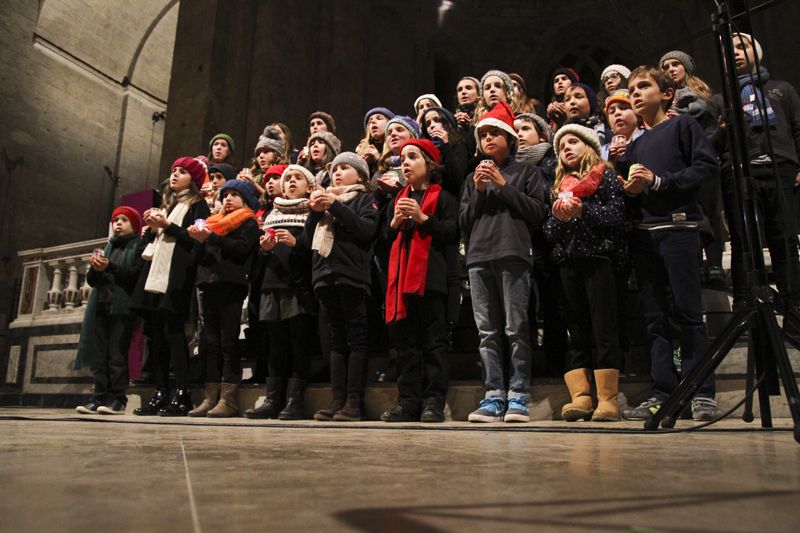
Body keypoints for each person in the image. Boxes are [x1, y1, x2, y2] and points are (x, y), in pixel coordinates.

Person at [620, 66, 721, 422]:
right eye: (631, 88)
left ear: (666, 94)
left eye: (643, 86)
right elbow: (637, 191)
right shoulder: (636, 145)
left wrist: (660, 181)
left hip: (678, 229)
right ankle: (664, 390)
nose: (634, 93)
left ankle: (700, 390)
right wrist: (630, 191)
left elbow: (706, 167)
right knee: (654, 318)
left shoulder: (683, 126)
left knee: (688, 314)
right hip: (646, 235)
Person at [459, 101, 547, 423]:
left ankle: (519, 395)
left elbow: (538, 213)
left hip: (513, 255)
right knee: (487, 332)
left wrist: (502, 184)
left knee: (516, 329)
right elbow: (464, 222)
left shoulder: (528, 172)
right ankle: (493, 394)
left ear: (510, 138)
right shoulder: (471, 180)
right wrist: (481, 190)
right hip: (479, 257)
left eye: (495, 133)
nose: (488, 139)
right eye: (483, 134)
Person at [543, 124, 626, 421]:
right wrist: (558, 217)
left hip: (599, 258)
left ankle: (607, 398)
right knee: (575, 330)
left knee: (603, 329)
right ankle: (580, 396)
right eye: (562, 145)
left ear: (589, 146)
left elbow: (616, 215)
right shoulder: (559, 186)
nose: (567, 148)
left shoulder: (605, 177)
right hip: (568, 262)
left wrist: (583, 212)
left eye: (573, 142)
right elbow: (549, 232)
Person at [381, 139, 459, 423]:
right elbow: (382, 242)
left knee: (433, 345)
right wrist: (394, 224)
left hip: (431, 282)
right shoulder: (396, 200)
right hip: (400, 284)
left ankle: (433, 402)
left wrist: (423, 218)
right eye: (402, 158)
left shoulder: (445, 197)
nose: (405, 163)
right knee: (405, 347)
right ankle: (408, 402)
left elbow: (452, 233)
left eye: (412, 157)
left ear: (430, 164)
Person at [132, 157, 211, 416]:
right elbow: (151, 245)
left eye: (182, 171)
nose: (175, 175)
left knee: (174, 336)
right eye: (173, 170)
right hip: (154, 275)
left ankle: (182, 392)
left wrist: (167, 226)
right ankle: (160, 391)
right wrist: (150, 230)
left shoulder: (200, 206)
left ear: (195, 178)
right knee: (155, 337)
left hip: (176, 277)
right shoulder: (168, 205)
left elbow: (198, 239)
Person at [306, 152, 380, 421]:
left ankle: (354, 402)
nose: (337, 173)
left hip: (352, 275)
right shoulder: (323, 202)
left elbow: (365, 230)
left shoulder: (364, 199)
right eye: (334, 169)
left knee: (356, 335)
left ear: (360, 176)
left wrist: (335, 206)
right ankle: (337, 399)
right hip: (325, 274)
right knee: (336, 338)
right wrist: (315, 214)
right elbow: (308, 239)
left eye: (345, 168)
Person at [245, 166, 318, 420]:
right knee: (275, 344)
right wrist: (265, 249)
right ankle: (273, 398)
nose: (290, 182)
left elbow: (318, 251)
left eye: (297, 178)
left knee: (298, 343)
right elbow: (258, 260)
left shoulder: (312, 214)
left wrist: (297, 244)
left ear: (309, 186)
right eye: (287, 179)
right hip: (271, 284)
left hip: (297, 286)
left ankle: (295, 400)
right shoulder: (272, 215)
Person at [187, 179, 260, 417]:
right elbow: (199, 256)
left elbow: (240, 250)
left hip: (231, 284)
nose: (227, 199)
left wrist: (211, 238)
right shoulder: (212, 222)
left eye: (234, 195)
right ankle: (210, 397)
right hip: (208, 284)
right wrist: (198, 241)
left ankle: (228, 399)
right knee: (210, 343)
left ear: (246, 199)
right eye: (225, 195)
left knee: (228, 341)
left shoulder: (248, 222)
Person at [74, 206, 144, 415]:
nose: (118, 224)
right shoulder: (108, 247)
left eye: (124, 220)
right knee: (99, 355)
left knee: (117, 355)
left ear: (134, 224)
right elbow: (93, 281)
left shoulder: (138, 246)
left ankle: (117, 398)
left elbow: (133, 275)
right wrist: (95, 270)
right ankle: (99, 396)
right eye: (116, 220)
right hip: (101, 306)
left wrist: (109, 267)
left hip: (122, 308)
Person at [357, 107, 395, 174]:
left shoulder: (396, 149)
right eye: (370, 121)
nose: (373, 121)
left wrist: (379, 159)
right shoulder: (362, 150)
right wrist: (363, 164)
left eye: (379, 118)